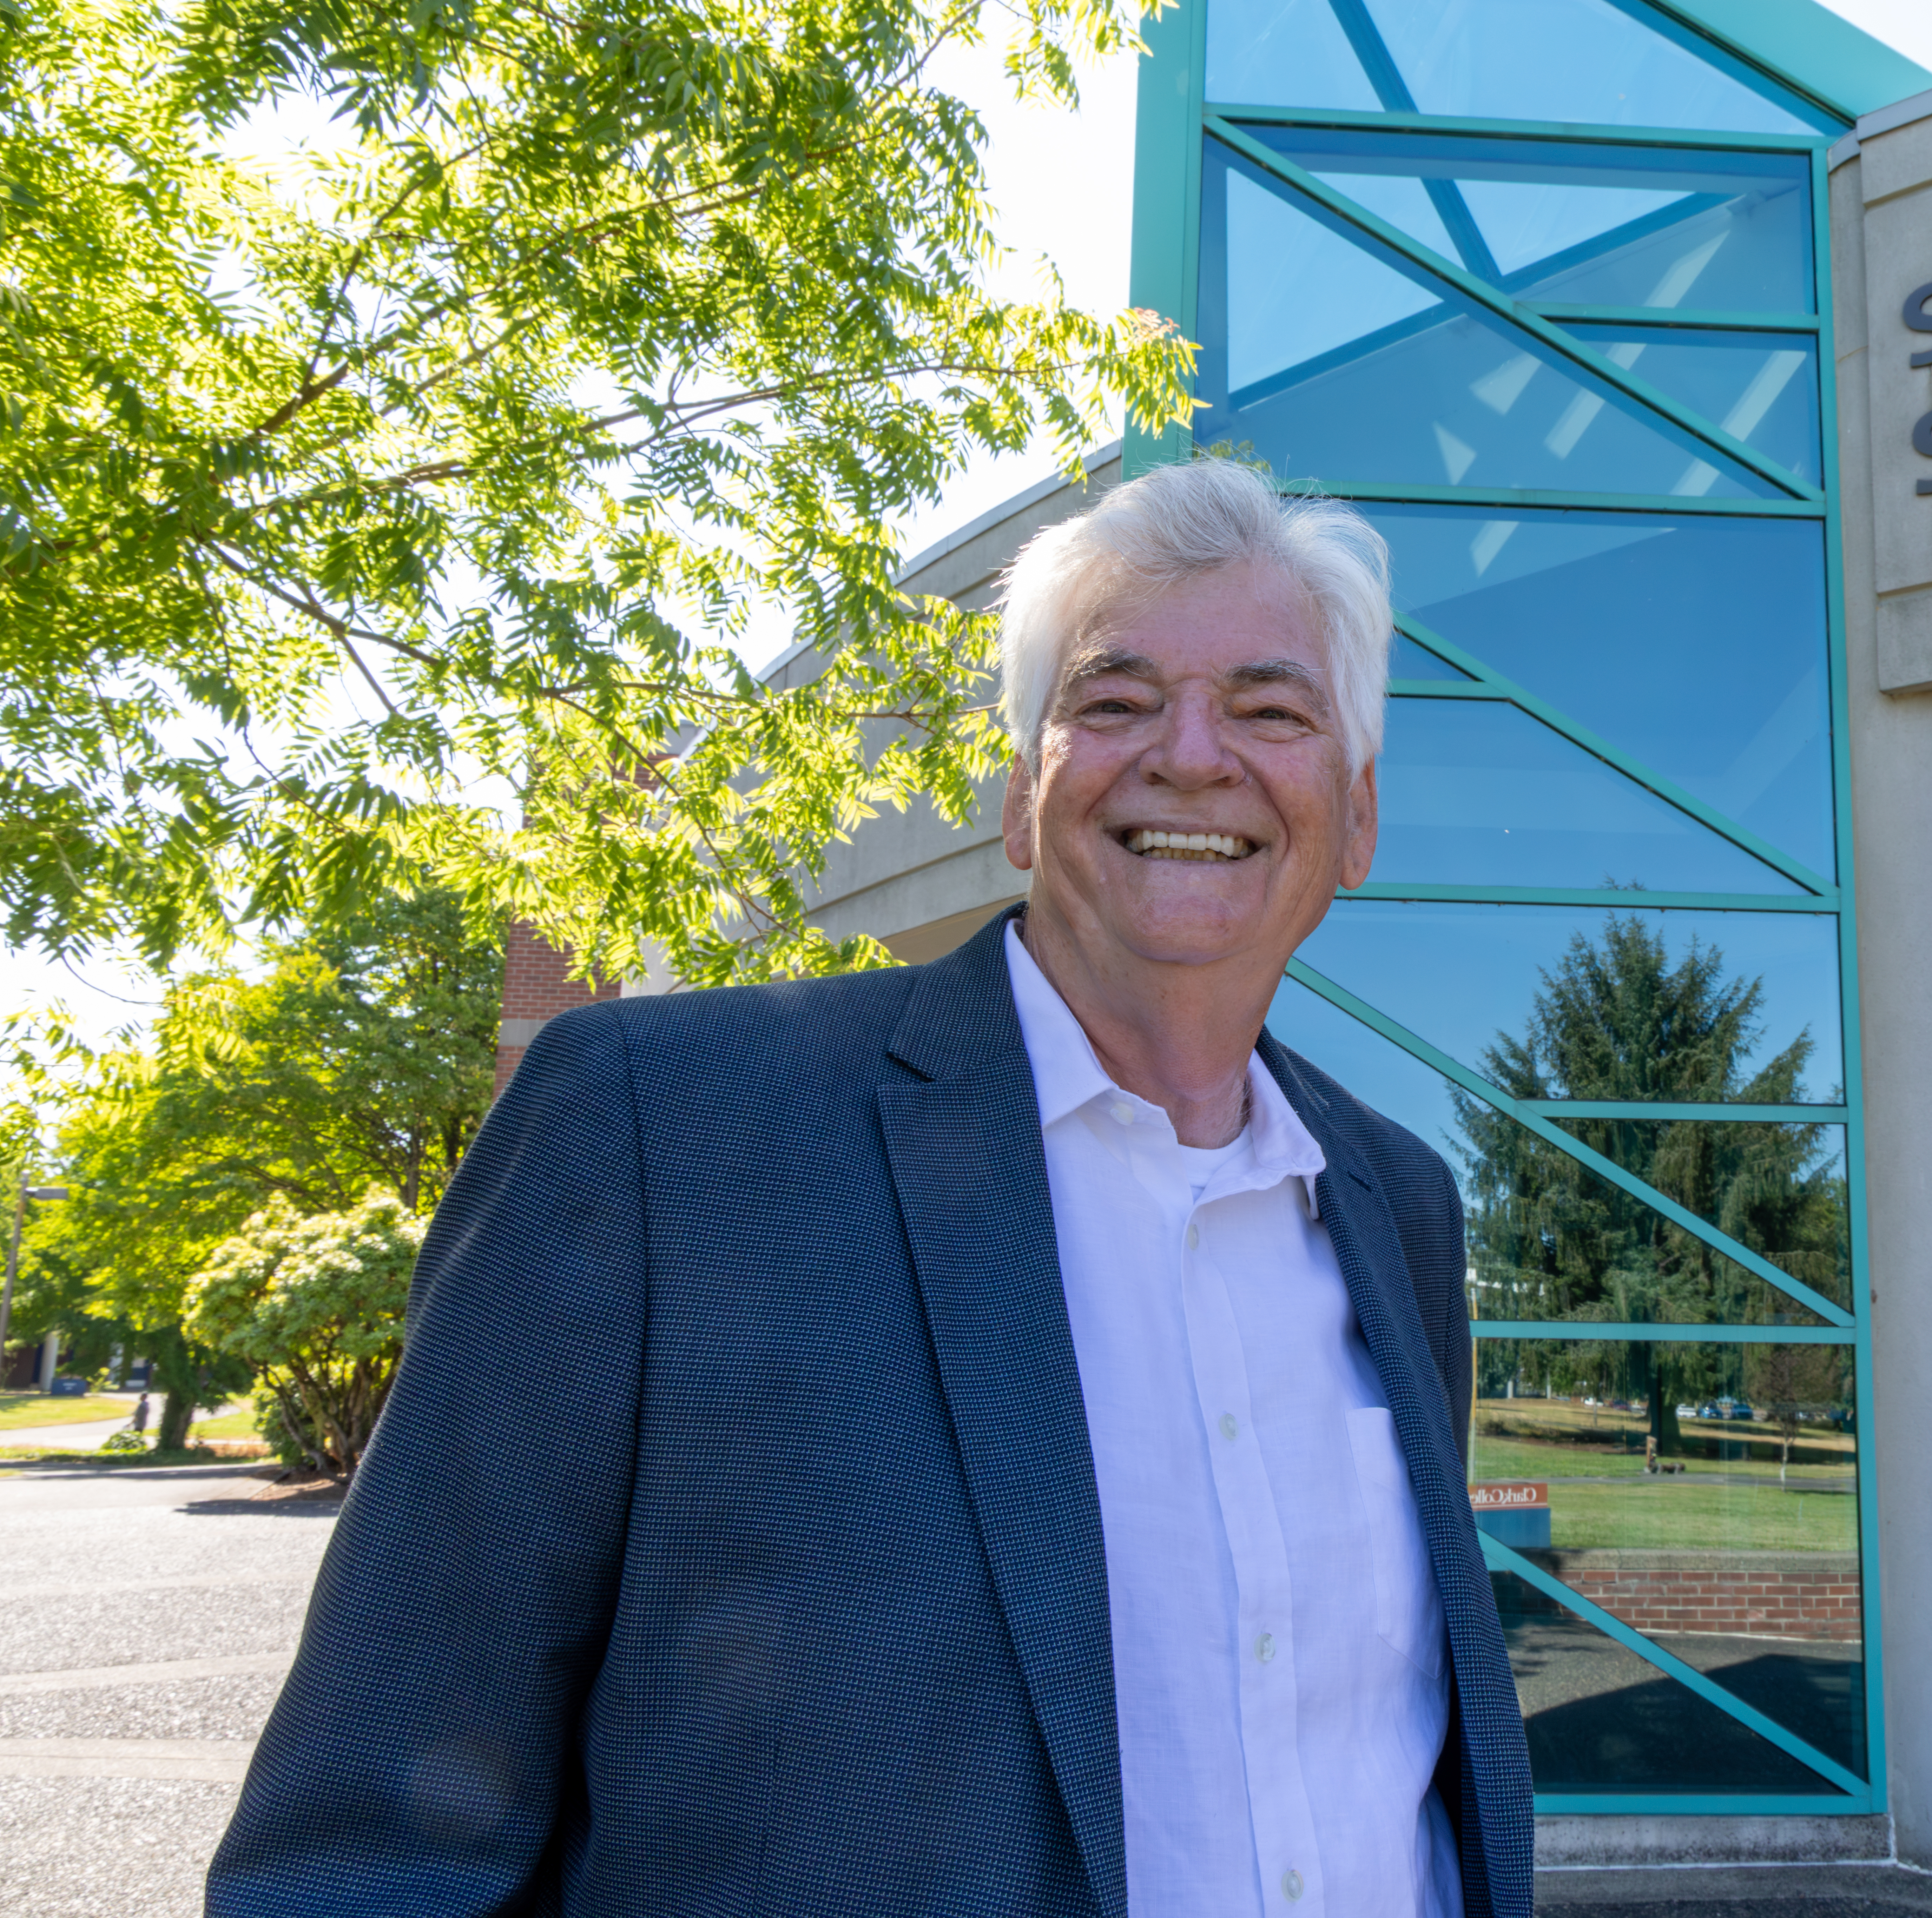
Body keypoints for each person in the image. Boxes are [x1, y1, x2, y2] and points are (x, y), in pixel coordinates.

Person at [206, 459, 1536, 1917]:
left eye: (1270, 711)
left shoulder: (1400, 1207)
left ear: (1356, 817)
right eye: (1115, 700)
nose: (1191, 753)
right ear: (1021, 797)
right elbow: (364, 1851)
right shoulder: (661, 1132)